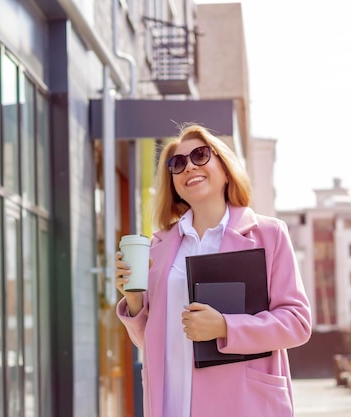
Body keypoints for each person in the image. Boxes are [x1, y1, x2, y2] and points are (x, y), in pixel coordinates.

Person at [115, 123, 312, 417]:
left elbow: (297, 323)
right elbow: (152, 341)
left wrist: (224, 327)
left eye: (201, 155)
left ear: (225, 166)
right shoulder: (158, 248)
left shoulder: (269, 235)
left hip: (243, 403)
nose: (189, 167)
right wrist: (133, 297)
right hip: (171, 401)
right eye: (177, 163)